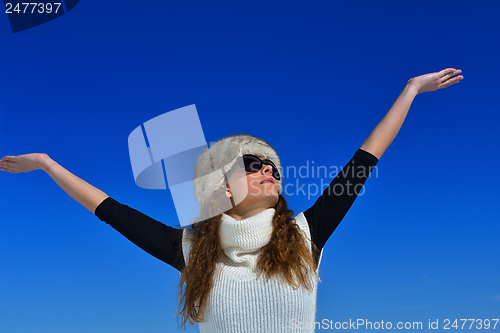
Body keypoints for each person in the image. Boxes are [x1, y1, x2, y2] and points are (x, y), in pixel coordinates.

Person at [0, 68, 463, 332]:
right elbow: (113, 213)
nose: (267, 171)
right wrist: (46, 163)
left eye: (273, 169)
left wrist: (410, 90)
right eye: (252, 166)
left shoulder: (305, 235)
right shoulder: (193, 250)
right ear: (224, 191)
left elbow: (362, 163)